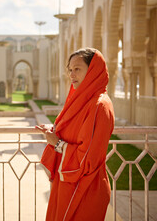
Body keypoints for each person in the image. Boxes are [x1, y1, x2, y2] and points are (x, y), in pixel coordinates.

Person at [36, 48, 114, 221]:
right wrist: (57, 130)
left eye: (77, 69)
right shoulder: (84, 102)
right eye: (70, 70)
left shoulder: (98, 106)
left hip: (84, 190)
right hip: (69, 186)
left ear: (93, 70)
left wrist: (57, 143)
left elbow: (87, 159)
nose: (72, 75)